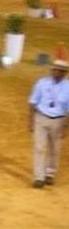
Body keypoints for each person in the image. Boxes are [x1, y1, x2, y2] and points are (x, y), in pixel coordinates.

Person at [28, 59, 69, 188]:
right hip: (41, 118)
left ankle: (50, 173)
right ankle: (38, 177)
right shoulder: (42, 83)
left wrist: (65, 127)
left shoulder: (68, 87)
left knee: (54, 149)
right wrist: (30, 120)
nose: (57, 73)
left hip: (58, 120)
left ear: (64, 73)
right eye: (55, 70)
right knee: (39, 148)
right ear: (52, 70)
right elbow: (33, 102)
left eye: (60, 71)